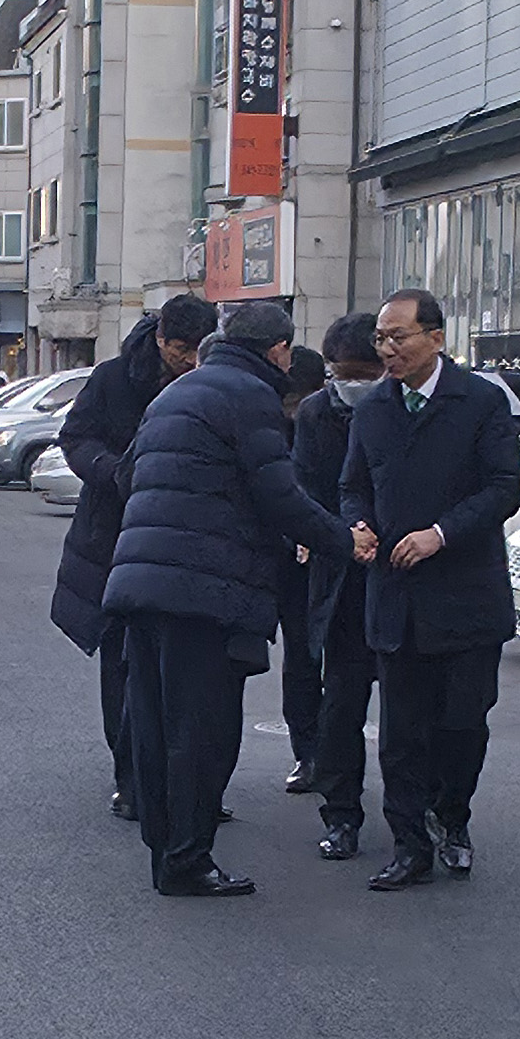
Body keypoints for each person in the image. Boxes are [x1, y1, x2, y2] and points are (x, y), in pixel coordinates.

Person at [100, 299, 353, 897]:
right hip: (204, 590)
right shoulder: (250, 396)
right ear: (279, 351)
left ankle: (166, 853)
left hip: (142, 582)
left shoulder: (176, 392)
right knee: (202, 730)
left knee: (155, 727)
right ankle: (189, 860)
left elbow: (128, 476)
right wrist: (344, 541)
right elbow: (279, 496)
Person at [334, 287, 520, 893]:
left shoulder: (480, 402)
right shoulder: (373, 409)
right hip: (396, 596)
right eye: (380, 339)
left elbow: (503, 488)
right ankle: (409, 843)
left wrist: (441, 534)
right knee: (400, 732)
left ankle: (452, 815)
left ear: (437, 339)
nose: (387, 350)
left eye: (399, 337)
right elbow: (353, 485)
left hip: (466, 596)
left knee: (462, 724)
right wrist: (357, 525)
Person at [50, 295, 214, 826]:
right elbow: (75, 436)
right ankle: (132, 779)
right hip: (115, 537)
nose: (188, 360)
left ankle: (189, 783)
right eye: (180, 349)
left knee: (189, 670)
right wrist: (111, 470)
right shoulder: (115, 377)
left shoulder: (214, 381)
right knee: (123, 664)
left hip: (189, 541)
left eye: (198, 350)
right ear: (161, 338)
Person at [275, 335, 355, 832]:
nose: (290, 409)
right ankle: (307, 752)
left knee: (345, 665)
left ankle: (330, 757)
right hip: (297, 554)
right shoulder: (281, 423)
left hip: (339, 544)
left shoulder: (337, 415)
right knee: (302, 656)